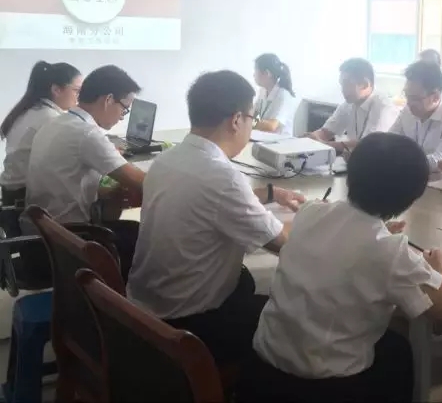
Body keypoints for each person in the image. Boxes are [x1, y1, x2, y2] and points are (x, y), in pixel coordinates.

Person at [241, 132, 442, 403]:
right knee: (400, 353)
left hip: (261, 370)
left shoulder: (311, 212)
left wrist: (379, 232)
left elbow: (344, 242)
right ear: (411, 197)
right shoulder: (388, 251)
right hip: (320, 388)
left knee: (392, 342)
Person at [127, 70, 304, 366]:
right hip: (190, 324)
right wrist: (319, 218)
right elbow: (283, 243)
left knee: (246, 279)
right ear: (236, 120)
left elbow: (207, 199)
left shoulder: (168, 159)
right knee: (292, 311)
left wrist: (269, 193)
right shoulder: (222, 177)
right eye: (252, 119)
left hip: (146, 305)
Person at [25, 65, 146, 278]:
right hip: (69, 239)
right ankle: (122, 296)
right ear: (108, 100)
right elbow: (141, 181)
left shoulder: (58, 122)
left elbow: (67, 181)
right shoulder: (87, 133)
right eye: (124, 109)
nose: (122, 117)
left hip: (44, 233)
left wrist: (108, 193)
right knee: (140, 237)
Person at [0, 61, 82, 208]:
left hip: (10, 193)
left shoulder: (29, 110)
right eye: (77, 91)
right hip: (26, 198)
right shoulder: (51, 118)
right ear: (56, 90)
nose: (79, 97)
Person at [307, 58, 398, 153]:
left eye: (347, 84)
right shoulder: (349, 104)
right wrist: (310, 138)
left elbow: (368, 145)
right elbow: (326, 132)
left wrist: (324, 144)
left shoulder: (384, 108)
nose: (342, 90)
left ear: (365, 84)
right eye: (342, 85)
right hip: (356, 158)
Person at [390, 61, 442, 172]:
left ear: (436, 97)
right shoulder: (408, 111)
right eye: (406, 96)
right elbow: (388, 141)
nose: (409, 103)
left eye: (415, 98)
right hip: (410, 174)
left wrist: (401, 162)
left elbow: (440, 160)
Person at [253, 53, 298, 136]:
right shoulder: (263, 91)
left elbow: (271, 126)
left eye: (256, 70)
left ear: (267, 73)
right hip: (263, 137)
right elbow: (254, 114)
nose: (254, 75)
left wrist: (249, 123)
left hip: (280, 141)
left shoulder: (283, 95)